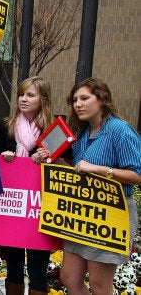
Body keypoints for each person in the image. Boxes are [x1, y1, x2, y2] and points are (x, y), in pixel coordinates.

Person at [59, 78, 141, 295]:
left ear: (102, 100)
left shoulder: (120, 130)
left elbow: (137, 175)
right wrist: (48, 158)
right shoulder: (82, 132)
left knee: (99, 286)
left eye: (85, 98)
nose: (78, 104)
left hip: (112, 214)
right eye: (75, 100)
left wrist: (98, 169)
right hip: (81, 214)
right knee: (69, 277)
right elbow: (76, 169)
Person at [0, 76, 54, 295]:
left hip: (40, 208)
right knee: (14, 266)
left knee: (38, 268)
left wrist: (48, 158)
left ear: (43, 99)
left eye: (30, 95)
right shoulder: (6, 125)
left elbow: (65, 163)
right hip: (13, 207)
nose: (23, 99)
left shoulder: (53, 129)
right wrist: (5, 156)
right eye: (21, 94)